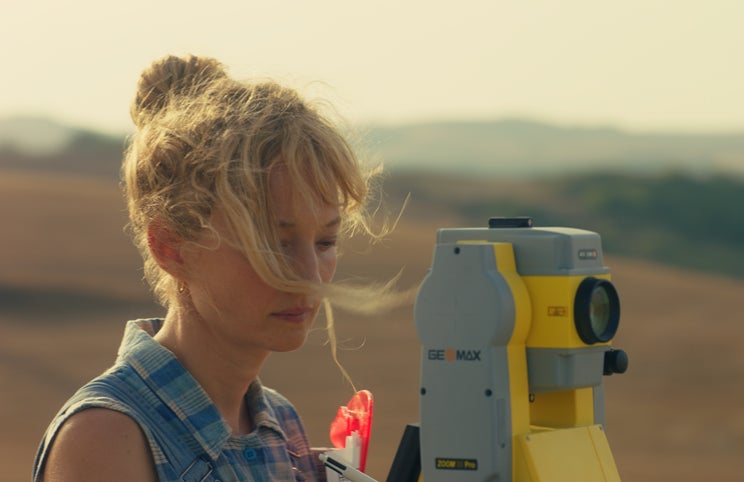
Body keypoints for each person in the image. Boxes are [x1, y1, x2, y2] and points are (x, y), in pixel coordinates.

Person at [33, 54, 390, 482]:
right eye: (273, 245)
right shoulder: (107, 436)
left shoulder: (280, 422)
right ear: (171, 247)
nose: (311, 277)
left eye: (326, 241)